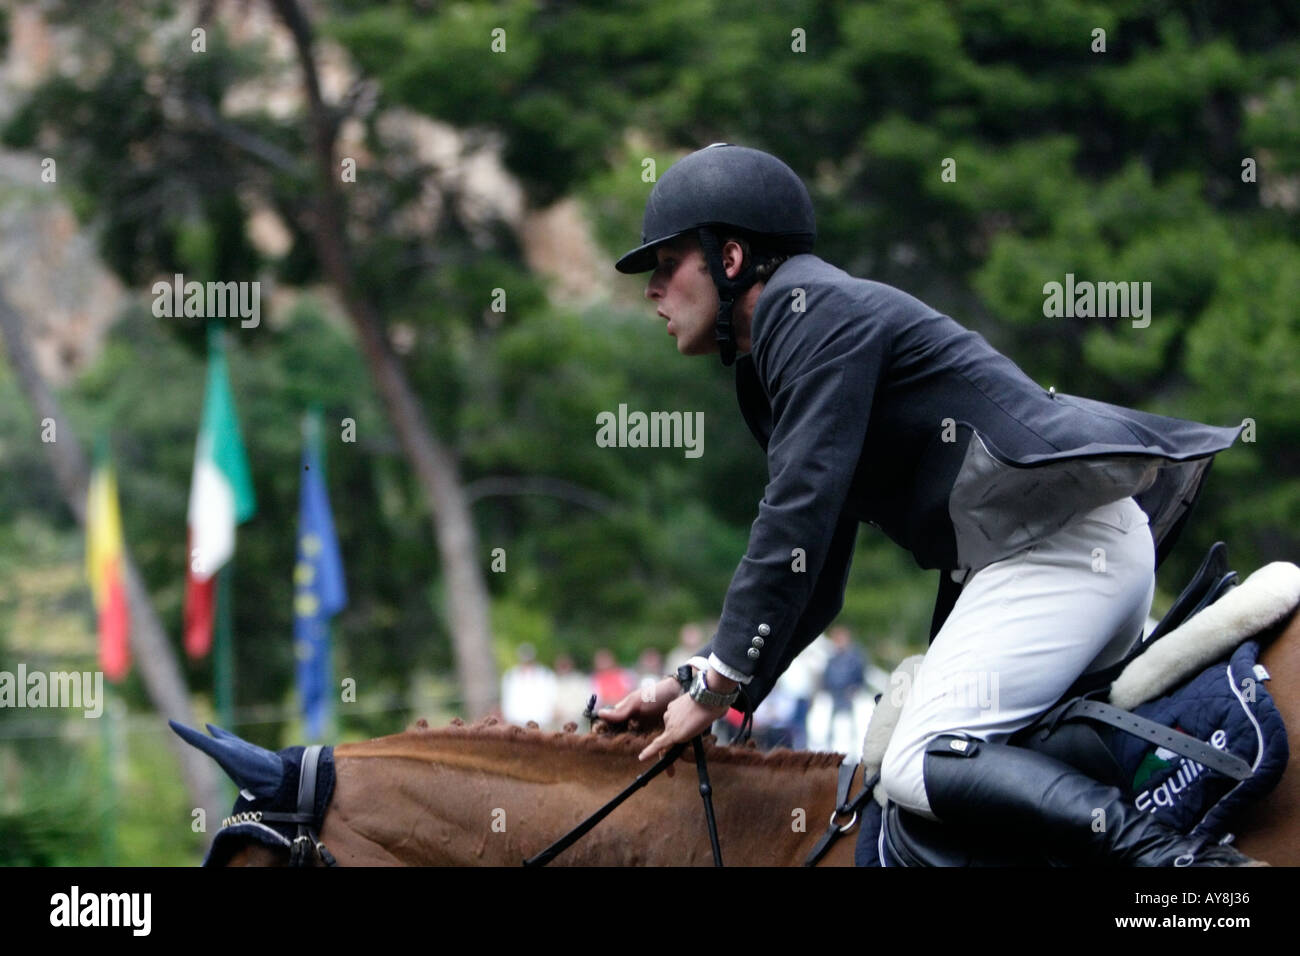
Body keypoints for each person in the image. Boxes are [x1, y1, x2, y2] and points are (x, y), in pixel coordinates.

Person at [597, 143, 1257, 866]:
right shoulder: (777, 357)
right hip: (1061, 557)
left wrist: (722, 678)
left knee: (916, 759)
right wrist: (697, 686)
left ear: (729, 259)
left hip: (1063, 554)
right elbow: (814, 581)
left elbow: (795, 510)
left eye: (666, 265)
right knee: (968, 779)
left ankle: (1184, 868)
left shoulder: (808, 311)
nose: (653, 289)